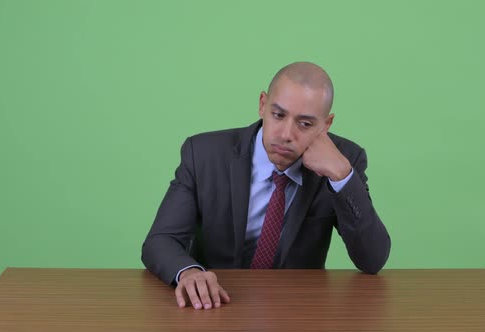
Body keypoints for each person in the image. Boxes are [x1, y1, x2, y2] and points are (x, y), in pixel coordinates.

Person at [141, 62, 391, 310]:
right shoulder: (204, 155)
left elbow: (372, 259)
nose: (285, 134)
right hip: (216, 304)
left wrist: (341, 177)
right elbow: (160, 240)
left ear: (326, 125)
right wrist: (189, 272)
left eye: (304, 124)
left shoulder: (344, 160)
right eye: (278, 115)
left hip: (297, 309)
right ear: (263, 104)